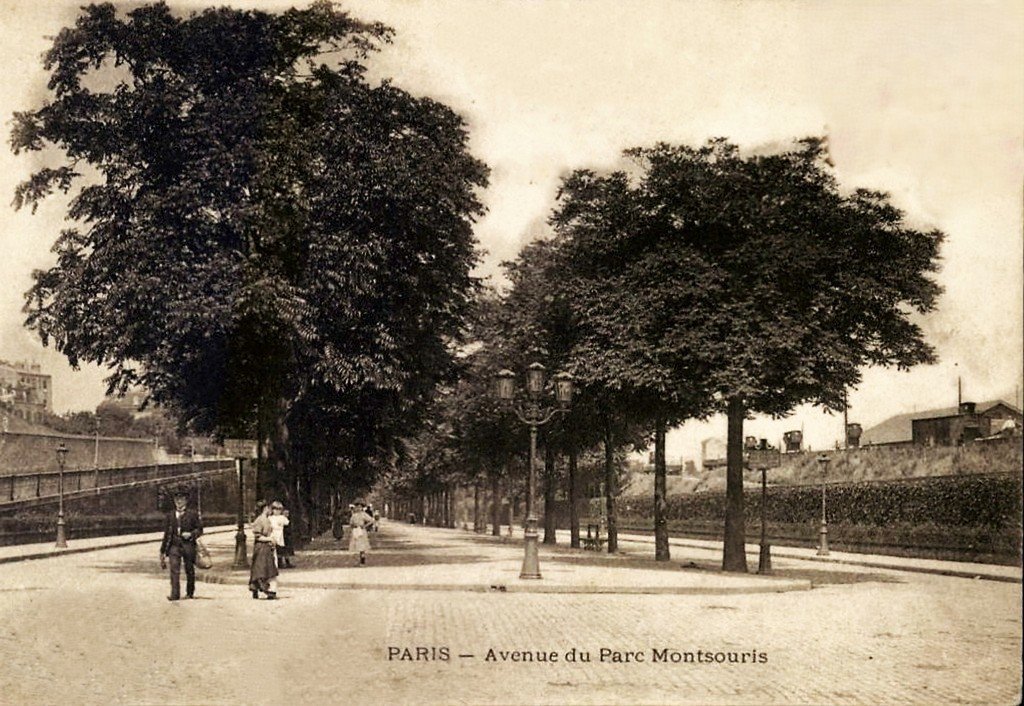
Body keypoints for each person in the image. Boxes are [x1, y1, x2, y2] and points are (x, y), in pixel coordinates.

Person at [159, 487, 203, 601]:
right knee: (174, 569)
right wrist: (163, 551)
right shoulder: (170, 515)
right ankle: (175, 594)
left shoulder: (192, 514)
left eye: (181, 499)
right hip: (174, 546)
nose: (178, 502)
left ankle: (190, 592)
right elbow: (166, 534)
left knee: (189, 569)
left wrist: (191, 534)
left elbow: (200, 530)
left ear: (186, 501)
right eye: (176, 499)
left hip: (188, 545)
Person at [249, 500, 279, 599]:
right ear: (264, 509)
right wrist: (269, 539)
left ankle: (255, 588)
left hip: (266, 547)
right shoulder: (260, 520)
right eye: (267, 508)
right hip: (261, 547)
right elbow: (257, 536)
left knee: (262, 567)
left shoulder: (266, 519)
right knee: (263, 568)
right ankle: (266, 588)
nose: (269, 510)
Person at [349, 501, 374, 565]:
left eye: (360, 507)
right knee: (355, 545)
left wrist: (365, 526)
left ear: (362, 508)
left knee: (362, 545)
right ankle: (357, 560)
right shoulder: (354, 515)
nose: (358, 508)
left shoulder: (364, 514)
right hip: (355, 530)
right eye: (357, 507)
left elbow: (371, 520)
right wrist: (352, 526)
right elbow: (351, 523)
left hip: (361, 531)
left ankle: (362, 560)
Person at [269, 501, 290, 569]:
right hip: (274, 534)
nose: (277, 511)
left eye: (279, 509)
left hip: (281, 534)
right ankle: (277, 562)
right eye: (275, 509)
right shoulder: (270, 518)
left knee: (282, 549)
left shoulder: (281, 517)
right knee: (275, 549)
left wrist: (285, 516)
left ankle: (284, 562)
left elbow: (286, 522)